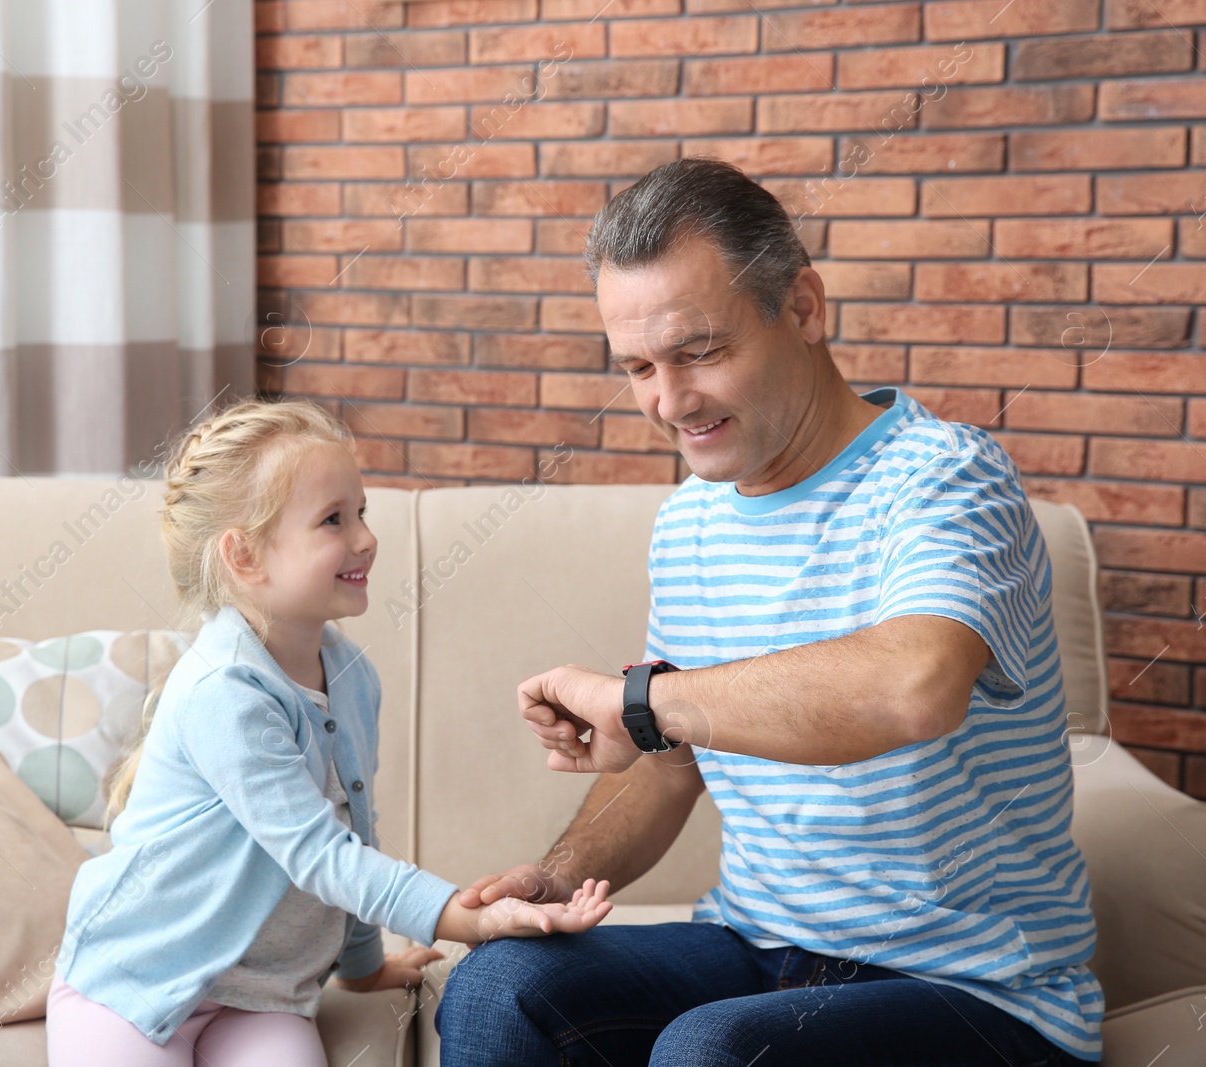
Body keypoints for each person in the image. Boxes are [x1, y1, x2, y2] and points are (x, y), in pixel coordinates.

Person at [435, 159, 1103, 1065]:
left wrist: (641, 700)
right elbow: (673, 765)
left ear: (802, 307)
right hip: (762, 947)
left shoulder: (945, 478)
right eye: (638, 366)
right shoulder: (691, 520)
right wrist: (552, 878)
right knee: (499, 986)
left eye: (700, 351)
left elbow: (914, 687)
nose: (670, 402)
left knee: (713, 1050)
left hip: (974, 991)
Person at [46, 399, 613, 1066]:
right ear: (246, 555)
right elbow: (322, 855)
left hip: (260, 996)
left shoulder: (350, 675)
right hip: (134, 986)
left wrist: (363, 965)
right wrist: (468, 917)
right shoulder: (225, 690)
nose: (366, 538)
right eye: (333, 520)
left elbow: (353, 831)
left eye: (362, 511)